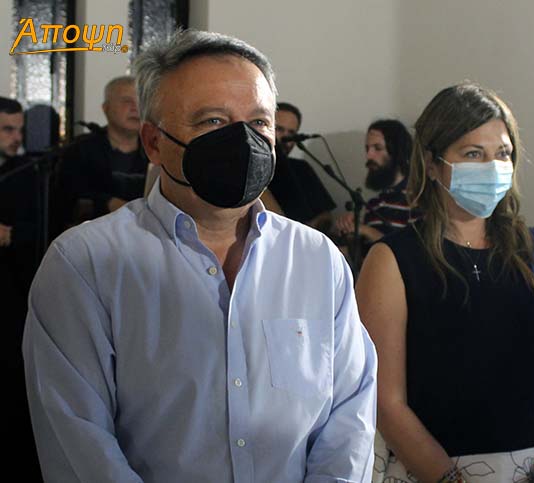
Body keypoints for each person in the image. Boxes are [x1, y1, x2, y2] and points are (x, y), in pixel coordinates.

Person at [23, 29, 377, 482]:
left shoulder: (315, 259)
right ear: (154, 143)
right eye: (212, 121)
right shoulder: (85, 264)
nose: (243, 140)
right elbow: (80, 443)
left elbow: (349, 416)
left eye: (259, 122)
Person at [357, 83, 534, 483]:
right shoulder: (392, 260)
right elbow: (386, 400)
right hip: (431, 469)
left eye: (503, 154)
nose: (492, 167)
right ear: (432, 164)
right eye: (473, 154)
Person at [0, 96, 41, 481]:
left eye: (19, 130)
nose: (16, 138)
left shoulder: (26, 173)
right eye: (7, 130)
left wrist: (11, 235)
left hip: (12, 294)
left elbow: (44, 229)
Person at [57, 76, 149, 229]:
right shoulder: (80, 149)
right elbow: (67, 198)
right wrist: (107, 203)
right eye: (127, 101)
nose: (135, 108)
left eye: (140, 102)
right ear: (106, 108)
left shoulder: (156, 150)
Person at [332, 119, 422, 245]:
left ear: (397, 152)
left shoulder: (417, 200)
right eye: (367, 148)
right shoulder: (374, 204)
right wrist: (349, 229)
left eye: (377, 148)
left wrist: (366, 230)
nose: (369, 156)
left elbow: (409, 249)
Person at [267, 101, 336, 231]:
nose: (286, 138)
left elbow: (326, 215)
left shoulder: (301, 168)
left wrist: (306, 231)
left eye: (291, 133)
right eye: (279, 129)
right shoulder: (250, 168)